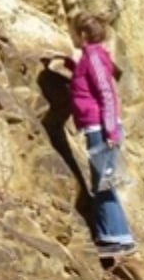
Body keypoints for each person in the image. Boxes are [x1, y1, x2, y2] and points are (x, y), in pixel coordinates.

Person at [54, 13, 137, 258]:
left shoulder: (94, 58)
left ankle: (117, 239)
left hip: (102, 129)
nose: (72, 38)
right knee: (102, 183)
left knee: (104, 184)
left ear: (83, 35)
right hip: (98, 128)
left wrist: (110, 130)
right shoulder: (91, 57)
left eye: (73, 34)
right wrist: (69, 64)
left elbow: (106, 94)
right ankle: (111, 237)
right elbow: (87, 82)